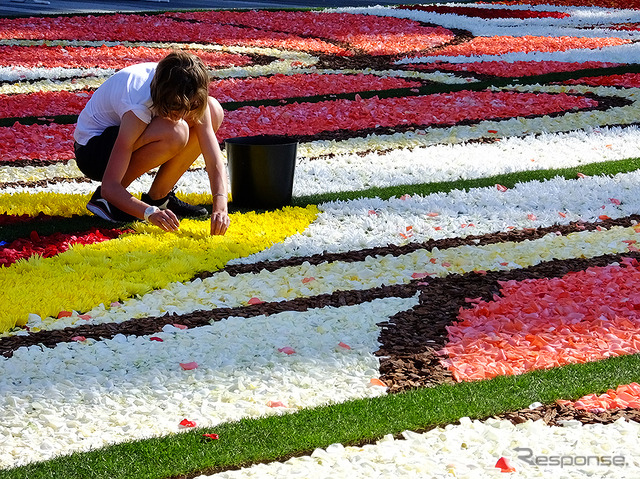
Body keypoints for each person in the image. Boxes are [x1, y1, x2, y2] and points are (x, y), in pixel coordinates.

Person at [73, 50, 230, 236]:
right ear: (163, 99)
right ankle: (105, 203)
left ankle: (159, 197)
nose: (182, 114)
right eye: (176, 108)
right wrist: (149, 213)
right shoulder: (139, 105)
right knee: (175, 131)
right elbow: (110, 187)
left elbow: (213, 159)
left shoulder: (184, 86)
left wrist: (220, 206)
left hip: (119, 136)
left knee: (213, 110)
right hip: (93, 151)